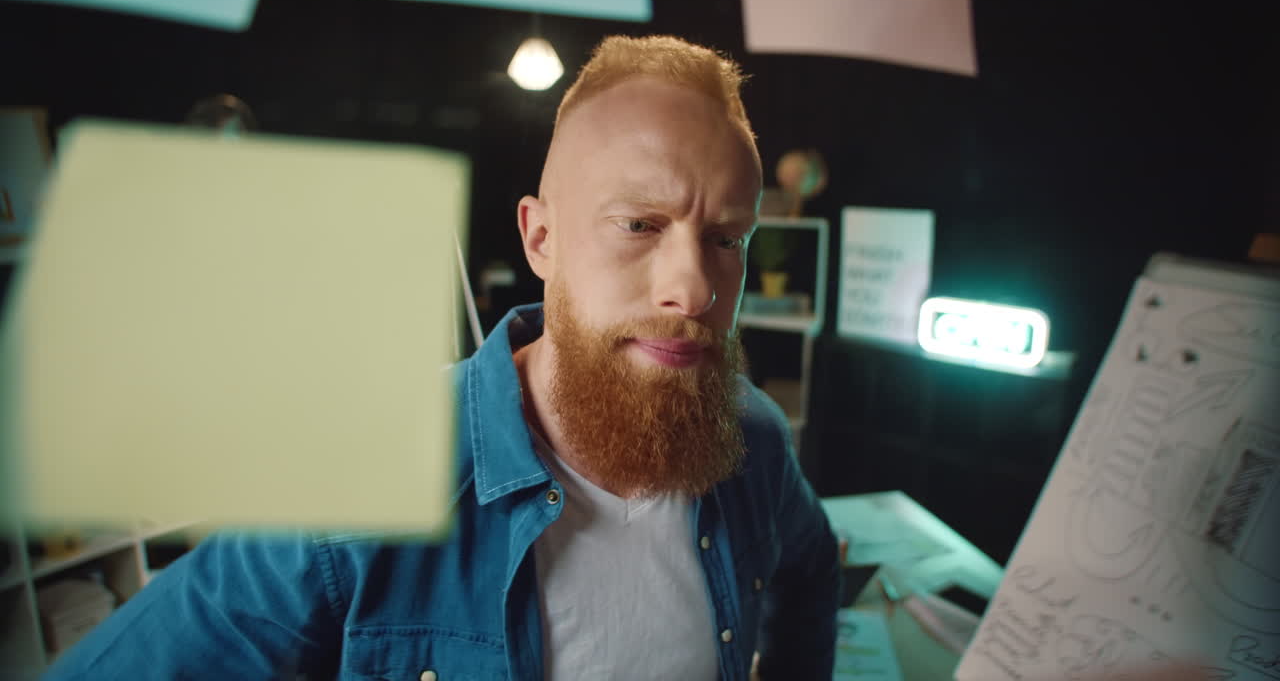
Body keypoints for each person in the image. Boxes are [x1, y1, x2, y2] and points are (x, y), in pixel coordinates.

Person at [44, 35, 839, 680]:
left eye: (726, 239)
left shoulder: (750, 438)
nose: (695, 288)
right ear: (541, 237)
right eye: (638, 225)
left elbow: (808, 568)